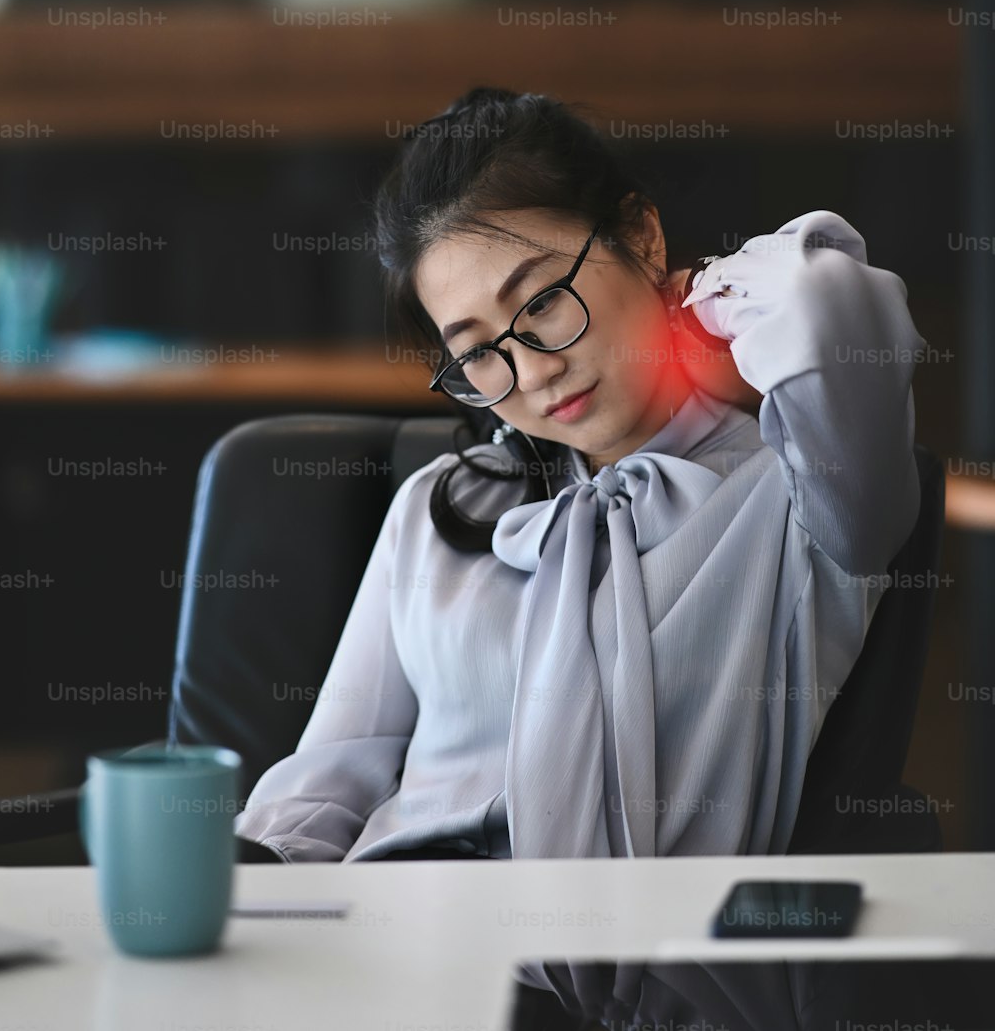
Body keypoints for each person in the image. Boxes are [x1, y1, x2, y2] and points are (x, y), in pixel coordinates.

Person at [234, 86, 926, 865]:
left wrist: (692, 303)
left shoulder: (806, 491)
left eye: (542, 304)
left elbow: (825, 298)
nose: (532, 371)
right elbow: (325, 785)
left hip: (652, 961)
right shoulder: (438, 507)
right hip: (407, 938)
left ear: (642, 236)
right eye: (477, 350)